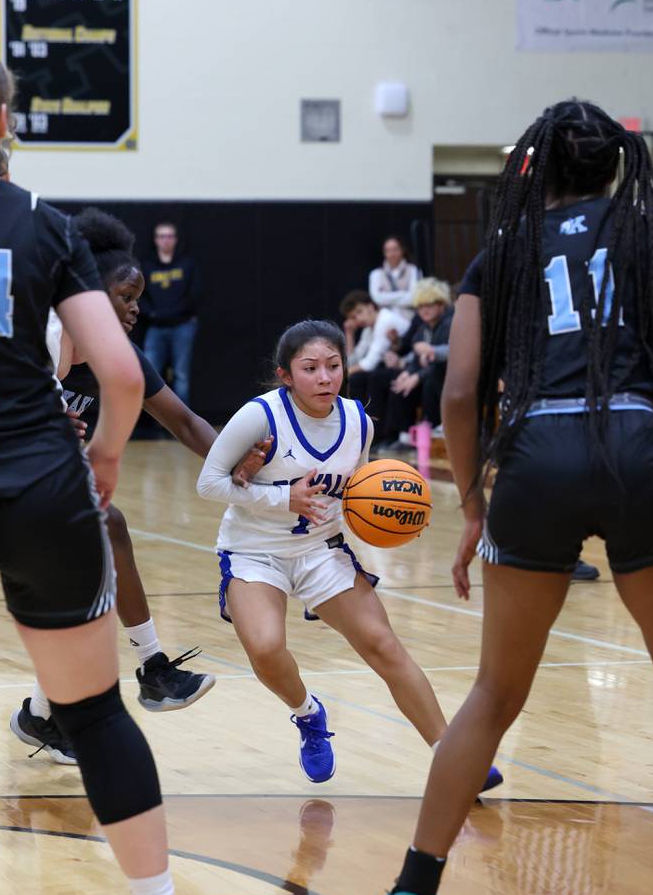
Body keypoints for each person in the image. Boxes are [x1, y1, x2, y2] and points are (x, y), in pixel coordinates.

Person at [377, 98, 653, 895]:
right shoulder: (649, 235)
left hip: (534, 455)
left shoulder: (506, 249)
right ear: (614, 168)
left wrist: (475, 504)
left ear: (536, 168)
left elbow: (457, 394)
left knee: (493, 695)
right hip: (637, 440)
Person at [0, 42, 190, 895]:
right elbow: (119, 371)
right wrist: (105, 454)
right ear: (3, 118)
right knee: (99, 716)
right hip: (42, 488)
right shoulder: (43, 222)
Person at [196, 319, 502, 790]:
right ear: (285, 375)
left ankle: (453, 756)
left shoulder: (358, 422)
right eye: (310, 368)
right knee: (265, 646)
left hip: (320, 549)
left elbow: (357, 493)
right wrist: (280, 498)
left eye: (333, 366)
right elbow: (208, 483)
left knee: (385, 646)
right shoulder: (260, 416)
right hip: (255, 551)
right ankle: (308, 713)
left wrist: (390, 520)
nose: (324, 377)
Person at [10, 206, 267, 764]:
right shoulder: (43, 333)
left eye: (137, 297)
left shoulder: (118, 355)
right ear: (83, 292)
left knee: (94, 561)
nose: (135, 308)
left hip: (38, 473)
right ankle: (93, 694)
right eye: (124, 296)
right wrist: (39, 416)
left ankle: (61, 707)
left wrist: (242, 458)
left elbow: (186, 421)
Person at [368, 277, 454, 450]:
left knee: (428, 377)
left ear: (441, 304)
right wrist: (408, 372)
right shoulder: (423, 328)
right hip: (426, 375)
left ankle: (428, 429)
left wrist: (416, 375)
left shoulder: (449, 324)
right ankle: (397, 435)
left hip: (444, 376)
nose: (424, 310)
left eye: (429, 305)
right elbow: (415, 357)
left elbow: (449, 357)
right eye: (420, 306)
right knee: (398, 380)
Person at [141, 220, 199, 406]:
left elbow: (195, 295)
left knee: (181, 374)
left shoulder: (187, 264)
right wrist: (154, 315)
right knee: (150, 373)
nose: (165, 240)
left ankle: (183, 422)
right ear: (156, 240)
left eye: (169, 236)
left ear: (175, 239)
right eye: (161, 236)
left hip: (183, 326)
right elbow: (139, 296)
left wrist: (173, 313)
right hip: (155, 327)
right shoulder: (147, 265)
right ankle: (153, 421)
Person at [339, 289, 411, 407]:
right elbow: (353, 360)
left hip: (407, 365)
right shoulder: (369, 328)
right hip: (390, 367)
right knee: (357, 378)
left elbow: (369, 364)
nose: (357, 318)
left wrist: (341, 373)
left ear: (371, 306)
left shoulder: (385, 320)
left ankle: (369, 420)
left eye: (359, 312)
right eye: (352, 317)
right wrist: (349, 334)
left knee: (362, 378)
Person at [368, 235, 421, 319]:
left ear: (402, 250)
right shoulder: (376, 274)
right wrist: (403, 294)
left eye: (395, 249)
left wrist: (386, 297)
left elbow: (413, 298)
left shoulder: (413, 270)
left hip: (408, 318)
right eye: (388, 250)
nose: (392, 254)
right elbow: (377, 298)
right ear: (384, 253)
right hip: (384, 317)